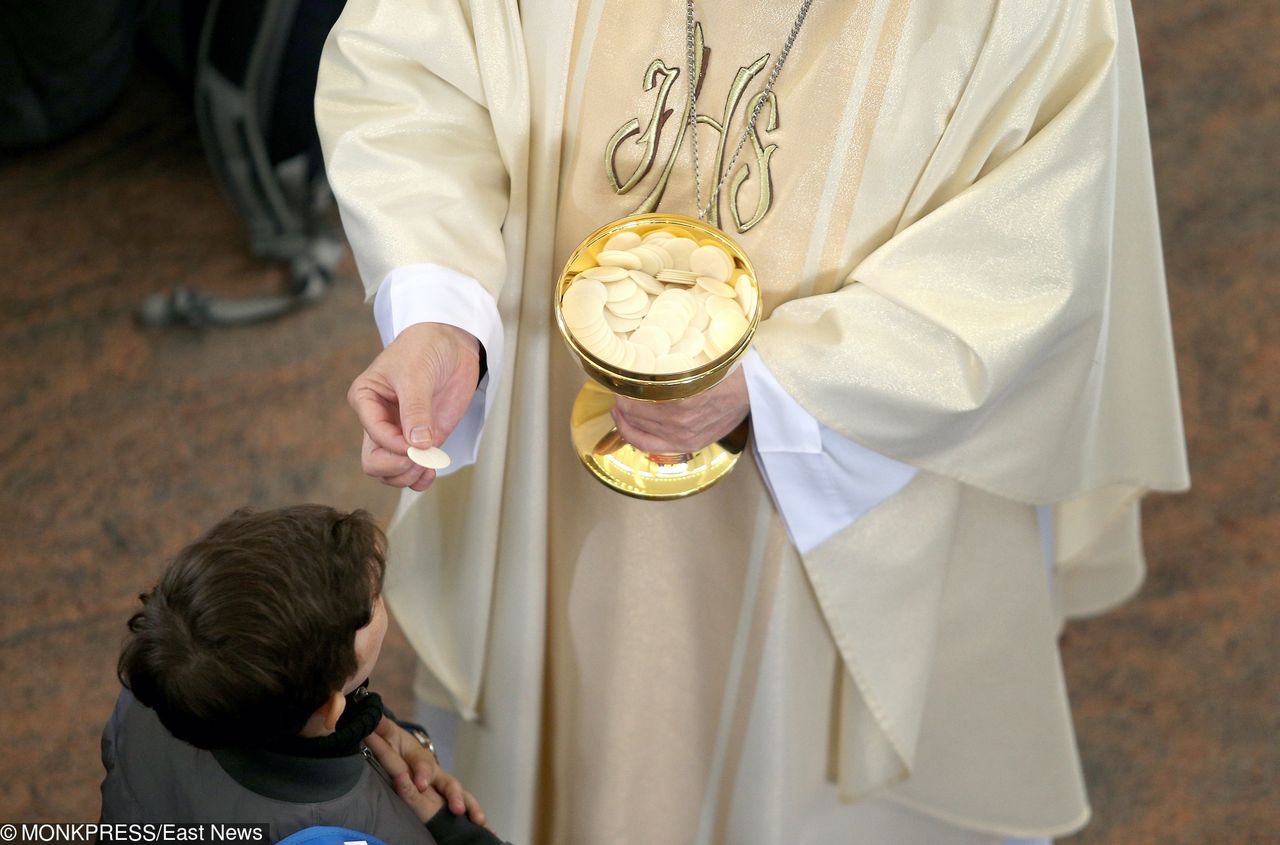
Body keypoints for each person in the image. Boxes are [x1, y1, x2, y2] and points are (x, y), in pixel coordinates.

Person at [315, 0, 1190, 842]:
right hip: (551, 426)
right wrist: (440, 310)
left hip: (841, 486)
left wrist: (783, 381)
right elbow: (417, 61)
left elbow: (1036, 241)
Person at [100, 505, 506, 845]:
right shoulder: (346, 833)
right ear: (329, 708)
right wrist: (454, 832)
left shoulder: (160, 683)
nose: (380, 594)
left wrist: (398, 735)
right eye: (369, 606)